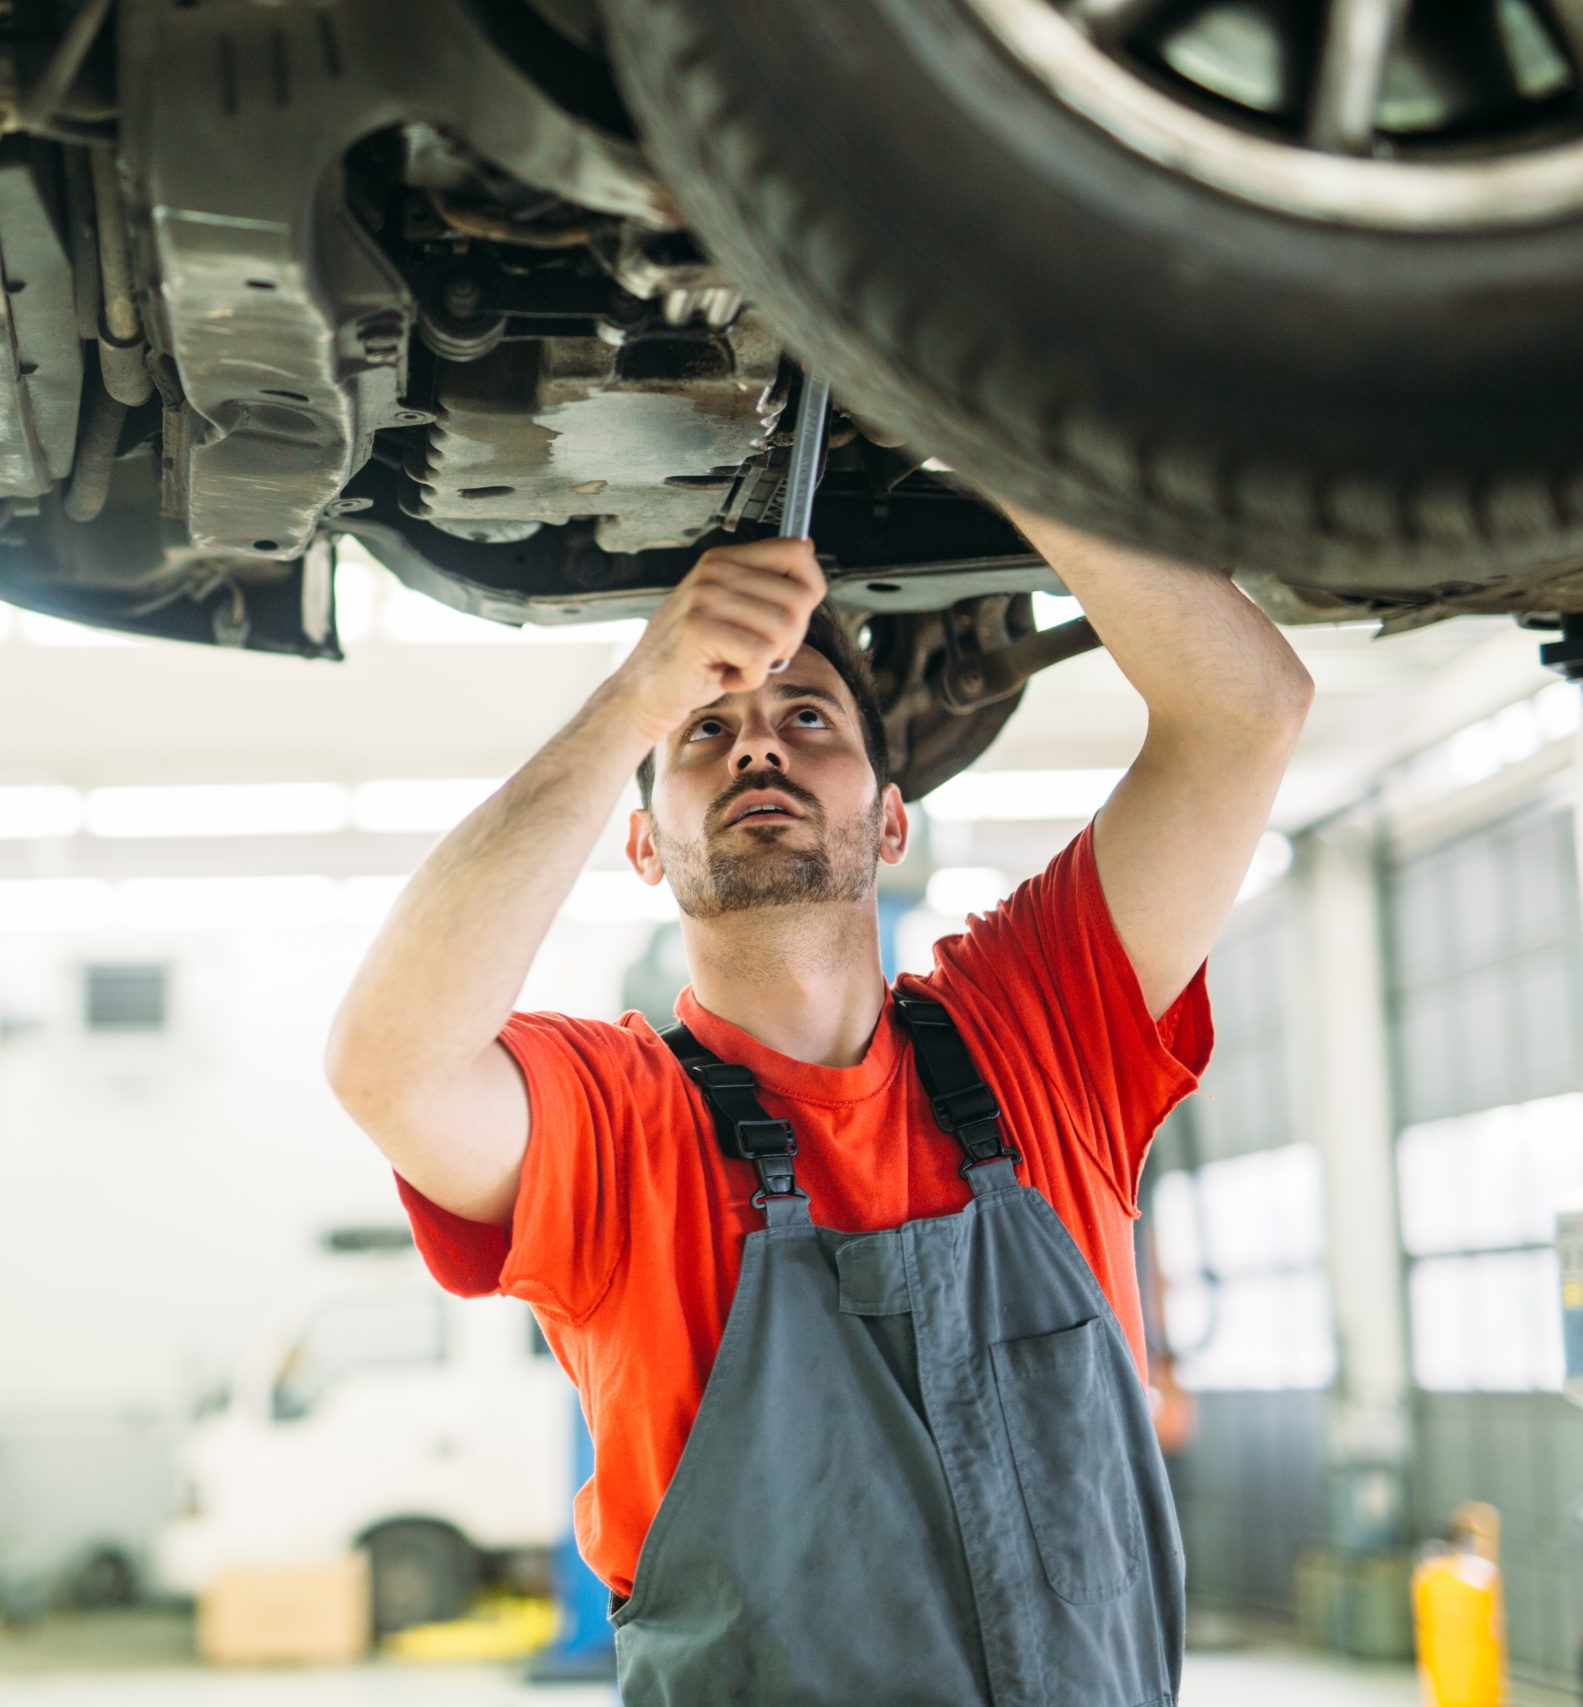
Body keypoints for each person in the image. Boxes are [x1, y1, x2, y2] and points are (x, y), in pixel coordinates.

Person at [325, 507, 1314, 1704]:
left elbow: (1247, 713)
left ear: (892, 820)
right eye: (704, 730)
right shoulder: (617, 1126)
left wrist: (980, 407)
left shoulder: (1039, 1032)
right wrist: (638, 691)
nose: (756, 747)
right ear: (642, 846)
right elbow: (389, 1065)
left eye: (806, 717)